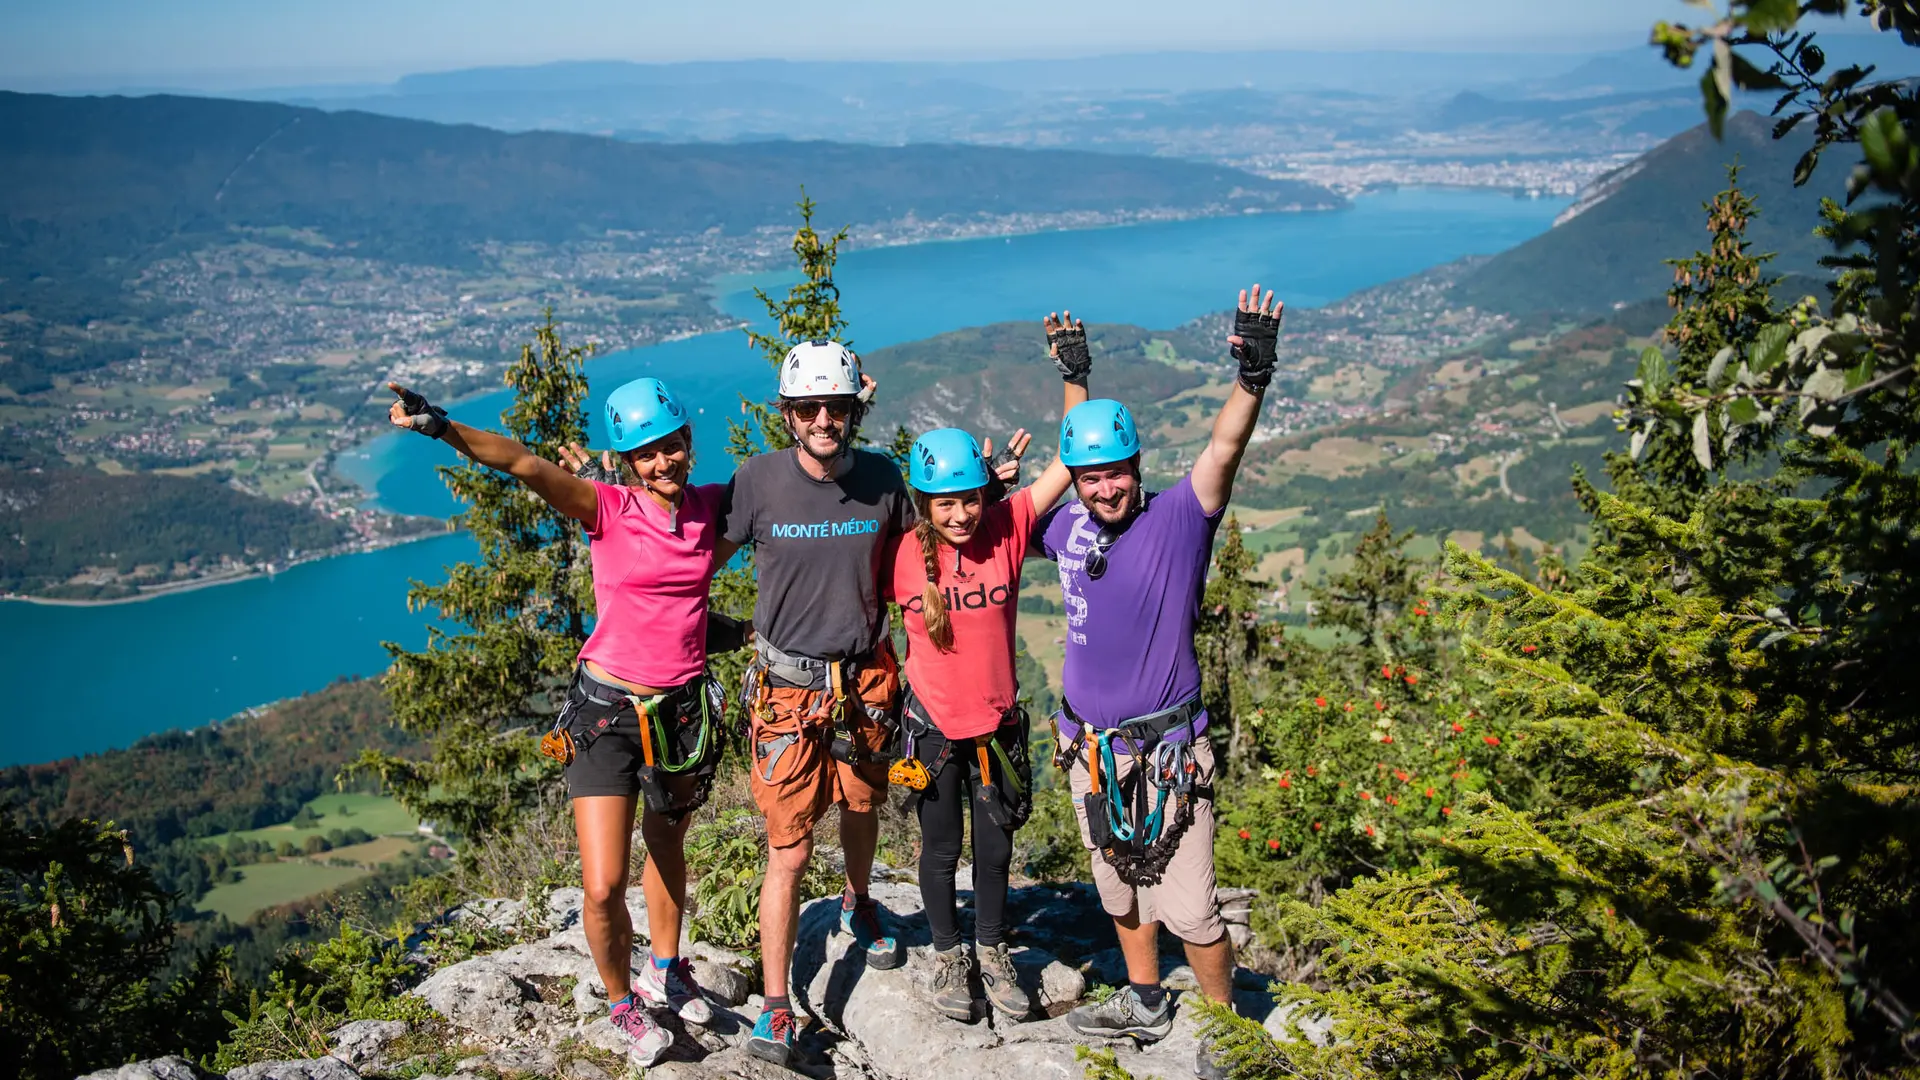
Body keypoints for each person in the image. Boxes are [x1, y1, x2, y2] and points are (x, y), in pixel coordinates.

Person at [386, 376, 741, 1068]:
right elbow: (523, 463)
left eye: (670, 448)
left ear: (688, 443)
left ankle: (665, 969)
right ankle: (620, 1003)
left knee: (667, 848)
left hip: (680, 714)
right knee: (603, 883)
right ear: (628, 462)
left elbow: (794, 499)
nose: (661, 463)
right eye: (645, 455)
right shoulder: (605, 508)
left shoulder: (713, 509)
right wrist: (443, 428)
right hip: (606, 715)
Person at [1039, 284, 1282, 1080]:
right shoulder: (1064, 520)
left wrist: (1251, 377)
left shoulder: (1179, 520)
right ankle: (1144, 997)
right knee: (1119, 891)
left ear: (1139, 469)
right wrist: (1076, 374)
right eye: (1090, 477)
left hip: (1170, 753)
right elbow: (1074, 441)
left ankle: (1225, 1029)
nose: (1103, 487)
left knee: (1189, 907)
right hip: (1088, 748)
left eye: (1116, 473)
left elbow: (1223, 450)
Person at [885, 310, 1090, 1023]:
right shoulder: (903, 554)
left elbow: (1069, 459)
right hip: (935, 728)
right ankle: (950, 956)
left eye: (972, 497)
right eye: (947, 502)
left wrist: (1074, 377)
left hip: (998, 725)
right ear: (924, 505)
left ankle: (993, 948)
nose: (963, 513)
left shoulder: (1006, 526)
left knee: (996, 853)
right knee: (941, 852)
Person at [722, 339, 918, 1067]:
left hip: (866, 679)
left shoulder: (882, 478)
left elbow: (924, 554)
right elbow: (692, 555)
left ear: (852, 409)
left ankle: (858, 901)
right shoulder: (758, 482)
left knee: (863, 807)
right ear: (788, 414)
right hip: (786, 691)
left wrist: (990, 493)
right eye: (809, 408)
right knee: (790, 845)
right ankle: (777, 1005)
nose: (823, 419)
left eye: (836, 406)